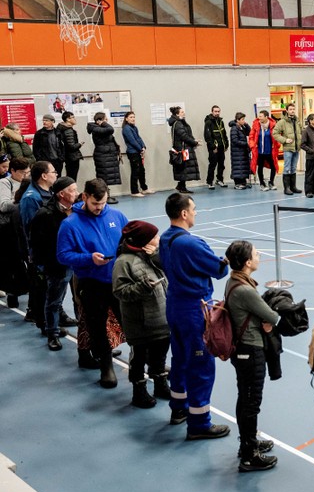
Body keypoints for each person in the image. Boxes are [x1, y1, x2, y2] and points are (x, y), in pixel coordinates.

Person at [158, 193, 230, 437]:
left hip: (174, 304)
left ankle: (179, 407)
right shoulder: (190, 243)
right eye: (194, 209)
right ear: (184, 213)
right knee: (201, 364)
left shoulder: (165, 238)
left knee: (179, 358)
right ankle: (199, 424)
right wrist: (225, 260)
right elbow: (219, 270)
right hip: (193, 309)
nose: (196, 213)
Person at [57, 178, 128, 387]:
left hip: (118, 280)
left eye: (103, 203)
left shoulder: (117, 216)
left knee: (130, 322)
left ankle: (149, 363)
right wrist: (89, 258)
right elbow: (63, 255)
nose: (99, 208)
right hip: (91, 282)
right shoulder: (70, 224)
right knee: (97, 327)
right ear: (84, 197)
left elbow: (129, 242)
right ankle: (106, 366)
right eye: (95, 204)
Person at [223, 240, 281, 473]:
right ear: (248, 262)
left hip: (243, 349)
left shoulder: (234, 280)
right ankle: (249, 455)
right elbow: (273, 316)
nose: (259, 255)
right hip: (250, 350)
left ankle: (248, 442)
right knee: (251, 402)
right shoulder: (245, 289)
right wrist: (266, 322)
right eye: (256, 254)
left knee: (245, 398)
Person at [112, 220, 171, 409]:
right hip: (140, 322)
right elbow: (120, 291)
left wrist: (155, 254)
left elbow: (169, 268)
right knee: (139, 357)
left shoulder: (152, 256)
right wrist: (142, 287)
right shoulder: (123, 262)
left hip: (161, 318)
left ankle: (160, 384)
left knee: (160, 354)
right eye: (154, 237)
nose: (158, 239)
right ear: (144, 240)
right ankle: (139, 391)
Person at [29, 176, 79, 351]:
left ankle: (84, 335)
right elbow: (35, 241)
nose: (77, 193)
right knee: (54, 300)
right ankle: (52, 334)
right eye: (73, 190)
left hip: (76, 262)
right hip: (56, 264)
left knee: (76, 299)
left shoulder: (77, 209)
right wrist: (41, 265)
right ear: (61, 194)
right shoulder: (45, 214)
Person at [20, 161, 57, 334]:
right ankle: (44, 324)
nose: (55, 174)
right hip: (40, 252)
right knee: (41, 288)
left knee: (52, 287)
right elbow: (30, 229)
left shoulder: (48, 192)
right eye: (53, 172)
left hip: (50, 249)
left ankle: (55, 317)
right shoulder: (31, 198)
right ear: (43, 176)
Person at [0, 156, 29, 309]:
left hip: (23, 227)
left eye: (27, 172)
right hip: (7, 228)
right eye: (22, 173)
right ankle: (13, 293)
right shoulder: (5, 183)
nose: (25, 175)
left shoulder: (29, 183)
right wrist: (22, 203)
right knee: (13, 263)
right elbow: (3, 205)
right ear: (13, 171)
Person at [87, 112, 122, 204]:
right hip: (103, 156)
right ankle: (104, 197)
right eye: (105, 119)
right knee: (103, 177)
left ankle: (107, 196)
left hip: (107, 155)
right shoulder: (96, 129)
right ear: (100, 120)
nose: (107, 121)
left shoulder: (100, 128)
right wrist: (102, 122)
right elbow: (110, 129)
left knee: (106, 177)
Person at [169, 106, 200, 194]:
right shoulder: (178, 123)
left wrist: (194, 141)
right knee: (184, 167)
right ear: (177, 114)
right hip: (183, 149)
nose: (184, 113)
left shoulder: (179, 122)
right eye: (182, 112)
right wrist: (194, 142)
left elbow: (186, 135)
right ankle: (181, 186)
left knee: (184, 167)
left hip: (184, 148)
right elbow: (184, 136)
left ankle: (181, 185)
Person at [272, 104, 302, 195]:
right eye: (290, 109)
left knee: (293, 168)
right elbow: (275, 133)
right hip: (288, 149)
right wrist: (284, 140)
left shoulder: (297, 121)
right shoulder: (282, 122)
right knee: (287, 168)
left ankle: (293, 187)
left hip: (297, 148)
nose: (292, 111)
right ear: (287, 110)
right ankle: (287, 188)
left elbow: (301, 131)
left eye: (293, 109)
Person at [121, 112, 153, 198]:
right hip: (132, 153)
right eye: (131, 117)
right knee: (135, 172)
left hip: (138, 151)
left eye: (134, 117)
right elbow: (132, 141)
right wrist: (140, 149)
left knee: (141, 171)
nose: (133, 119)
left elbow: (138, 138)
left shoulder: (134, 128)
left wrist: (143, 147)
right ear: (126, 119)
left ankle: (144, 188)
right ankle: (134, 191)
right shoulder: (126, 129)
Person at [250, 110, 281, 191]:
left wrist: (277, 144)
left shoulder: (273, 125)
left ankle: (271, 182)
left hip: (270, 151)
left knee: (273, 167)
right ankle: (262, 183)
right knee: (260, 167)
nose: (259, 118)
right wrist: (252, 144)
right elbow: (251, 136)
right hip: (260, 151)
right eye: (259, 116)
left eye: (261, 116)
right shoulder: (256, 125)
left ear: (266, 117)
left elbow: (277, 136)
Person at [203, 105, 228, 189]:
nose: (217, 113)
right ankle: (209, 182)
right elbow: (207, 136)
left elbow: (224, 134)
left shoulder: (221, 121)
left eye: (218, 111)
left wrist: (226, 144)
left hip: (221, 147)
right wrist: (213, 147)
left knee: (221, 165)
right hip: (213, 148)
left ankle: (219, 180)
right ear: (212, 112)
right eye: (215, 111)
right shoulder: (208, 122)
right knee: (212, 165)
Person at [229, 112, 252, 190]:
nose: (243, 121)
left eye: (244, 119)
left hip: (243, 151)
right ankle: (237, 183)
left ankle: (243, 182)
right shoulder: (234, 128)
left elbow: (250, 132)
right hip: (237, 152)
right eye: (242, 119)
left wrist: (246, 124)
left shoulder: (242, 127)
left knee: (243, 167)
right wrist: (245, 144)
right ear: (237, 120)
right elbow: (235, 140)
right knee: (238, 167)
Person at [58, 112, 83, 181]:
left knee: (70, 176)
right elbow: (71, 146)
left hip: (67, 156)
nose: (75, 119)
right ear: (68, 119)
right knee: (72, 177)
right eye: (73, 117)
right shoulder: (68, 130)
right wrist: (80, 144)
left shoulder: (63, 128)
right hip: (72, 157)